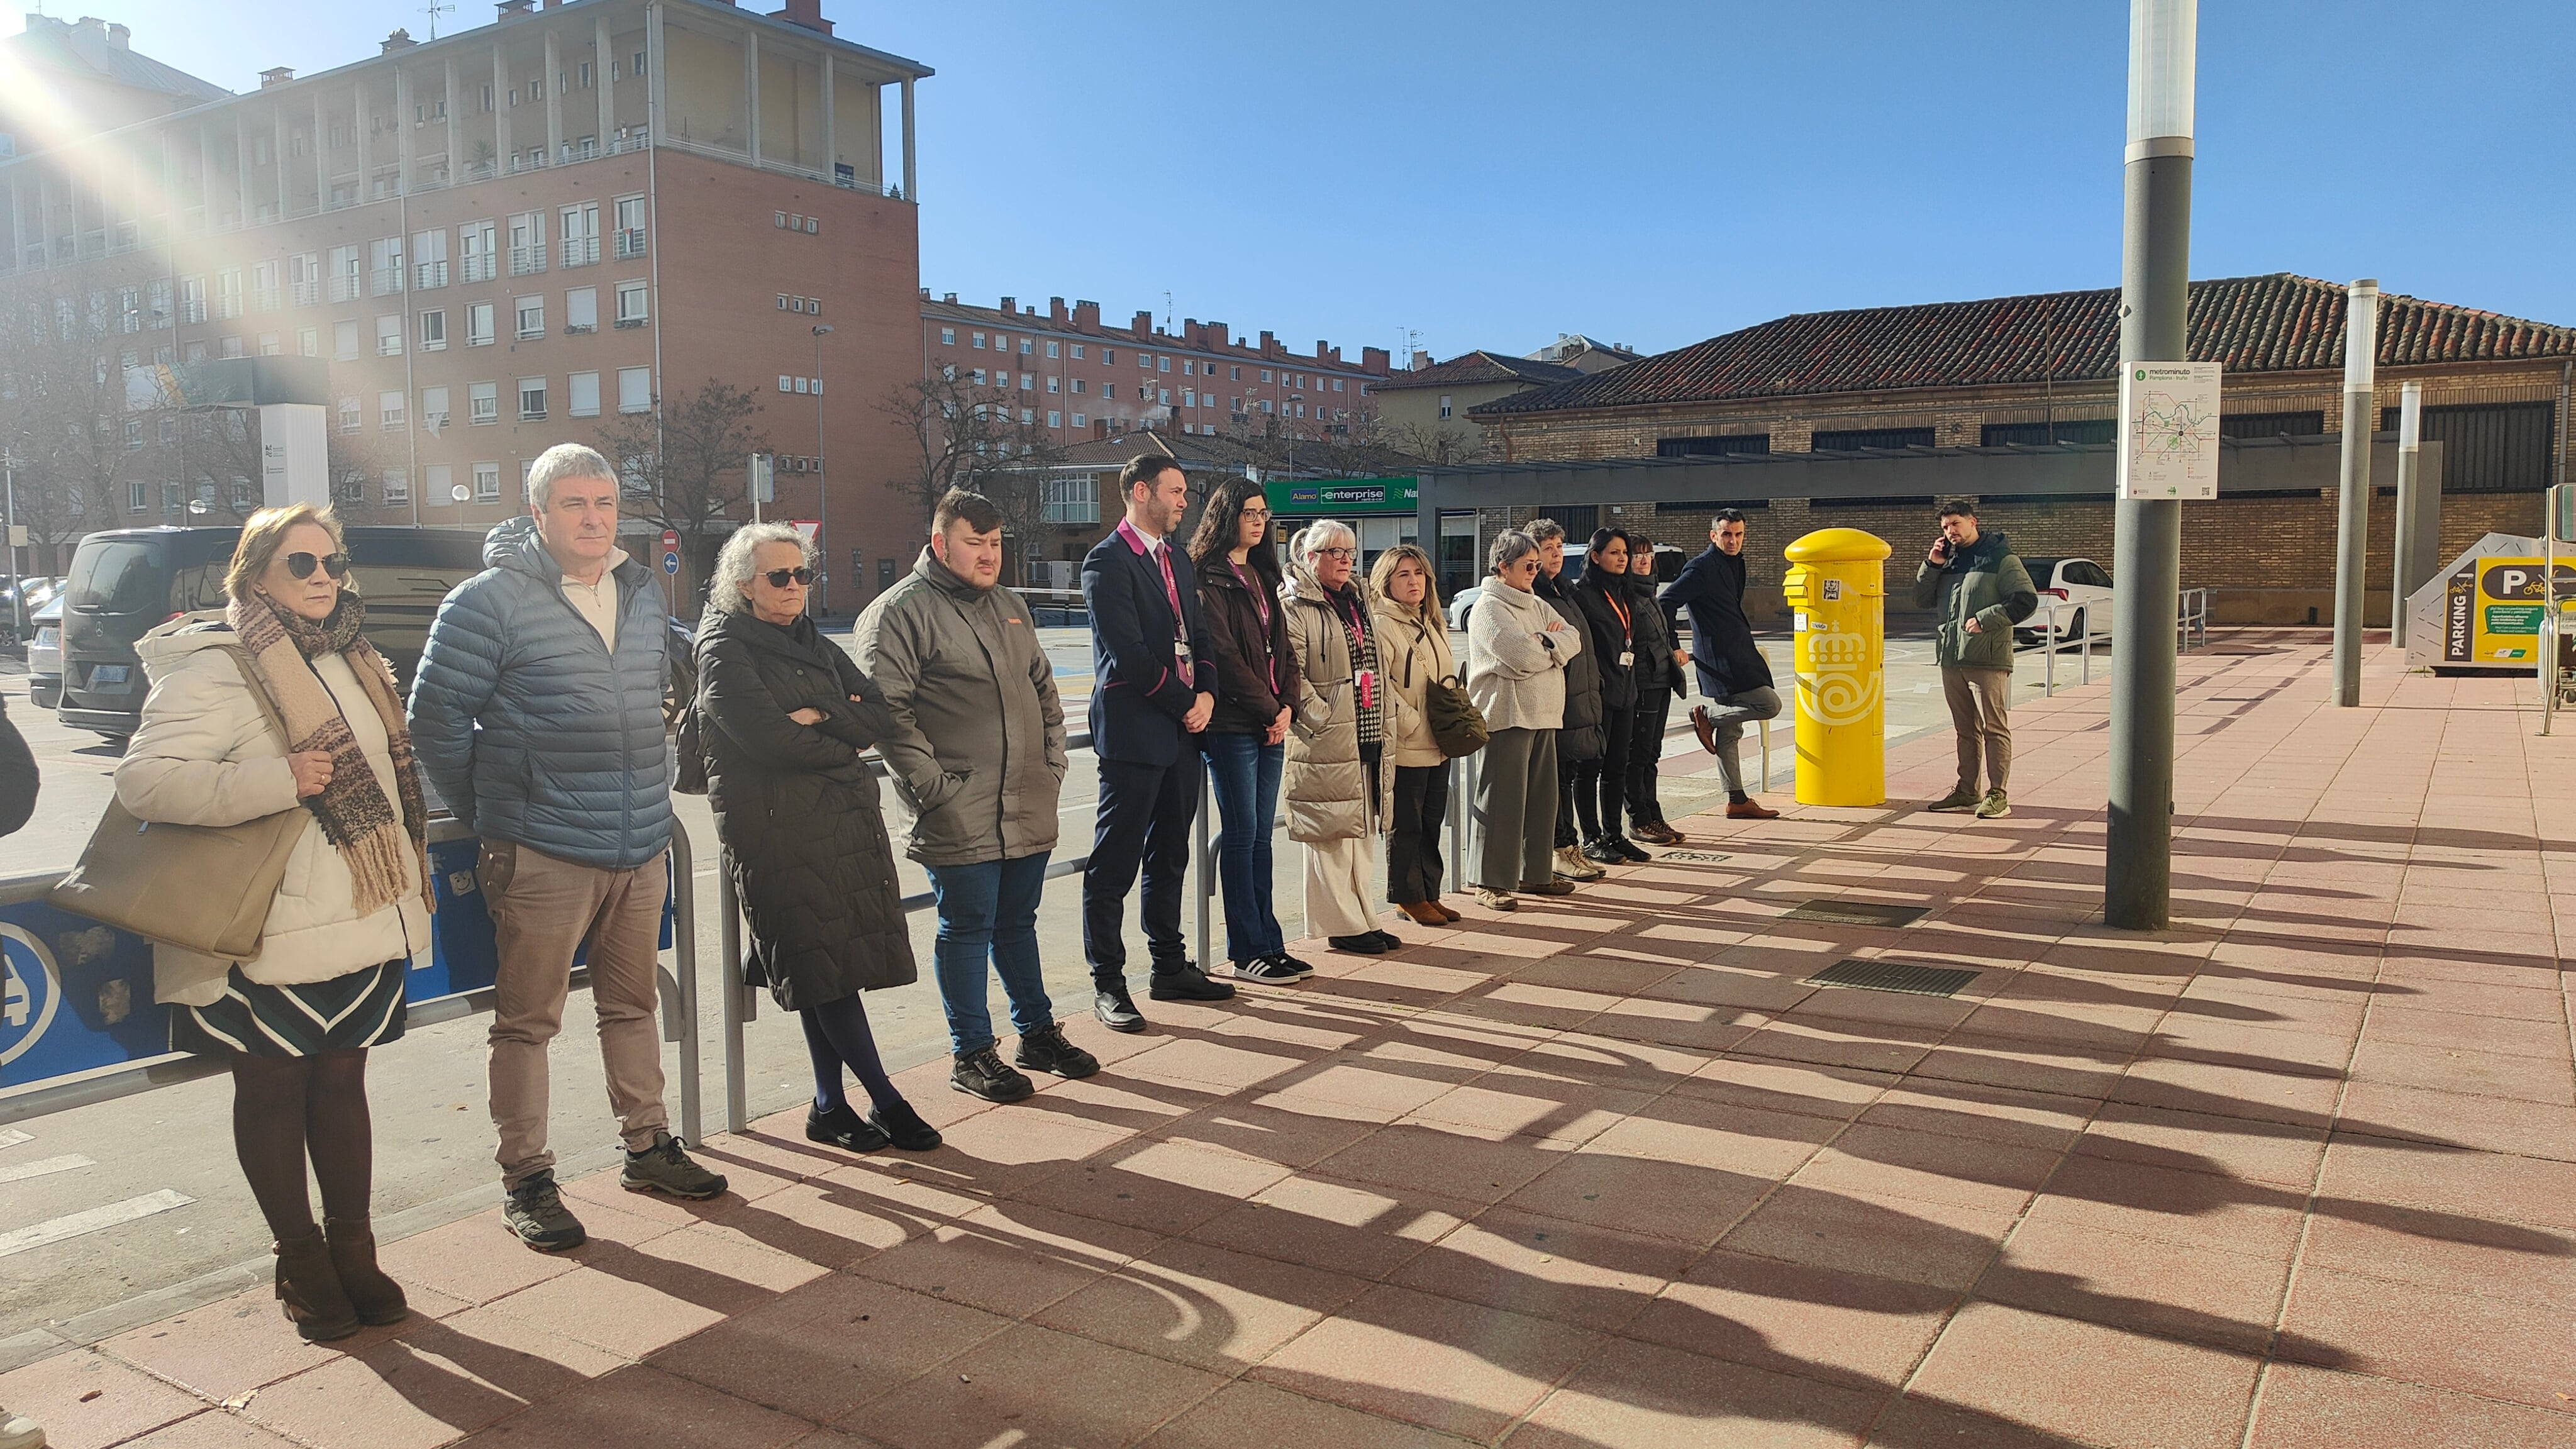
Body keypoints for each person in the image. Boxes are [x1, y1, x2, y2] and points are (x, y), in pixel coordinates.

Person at [119, 504, 430, 1341]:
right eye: (301, 564)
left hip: (359, 917)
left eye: (332, 561)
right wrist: (278, 777)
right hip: (261, 929)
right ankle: (301, 1261)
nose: (324, 577)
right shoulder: (215, 665)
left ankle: (354, 1251)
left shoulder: (356, 656)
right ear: (254, 575)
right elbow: (146, 784)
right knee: (270, 1091)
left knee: (343, 1084)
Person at [411, 443, 726, 1253]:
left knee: (634, 1006)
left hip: (640, 840)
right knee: (527, 1024)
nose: (592, 519)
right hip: (542, 848)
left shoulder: (639, 591)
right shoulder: (487, 602)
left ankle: (648, 1146)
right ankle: (528, 1178)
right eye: (574, 504)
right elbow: (435, 720)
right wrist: (492, 810)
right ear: (537, 514)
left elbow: (655, 697)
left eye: (604, 504)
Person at [694, 524, 943, 1150]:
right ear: (744, 585)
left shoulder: (808, 638)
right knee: (820, 965)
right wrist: (838, 732)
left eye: (802, 574)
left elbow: (878, 716)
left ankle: (830, 1105)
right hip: (776, 829)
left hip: (832, 822)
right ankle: (886, 1099)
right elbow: (769, 739)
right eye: (779, 576)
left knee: (825, 970)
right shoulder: (723, 646)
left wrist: (826, 715)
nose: (795, 586)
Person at [858, 489, 1095, 1104]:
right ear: (940, 544)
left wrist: (1051, 763)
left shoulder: (1009, 606)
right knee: (965, 928)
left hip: (1025, 798)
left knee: (1017, 923)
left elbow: (1043, 690)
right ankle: (971, 1054)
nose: (989, 555)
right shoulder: (899, 613)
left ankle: (1037, 1033)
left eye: (995, 544)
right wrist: (933, 789)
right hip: (958, 806)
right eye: (975, 543)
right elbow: (890, 716)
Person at [1081, 456, 1235, 1031]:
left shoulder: (1178, 561)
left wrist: (1209, 698)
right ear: (1140, 492)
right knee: (1114, 862)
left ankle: (1169, 966)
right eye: (1175, 491)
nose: (1184, 502)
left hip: (1184, 731)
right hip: (1135, 730)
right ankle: (1108, 982)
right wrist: (1185, 702)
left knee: (1171, 852)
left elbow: (1201, 637)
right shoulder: (1106, 562)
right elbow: (1130, 655)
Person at [1187, 477, 1309, 982]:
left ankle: (1270, 943)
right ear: (1226, 516)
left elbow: (1284, 652)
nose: (1259, 521)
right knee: (1241, 835)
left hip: (1268, 722)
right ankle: (1246, 951)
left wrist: (1288, 707)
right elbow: (1223, 656)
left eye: (1264, 513)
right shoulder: (1207, 576)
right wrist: (1268, 709)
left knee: (1262, 838)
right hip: (1233, 724)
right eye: (1249, 513)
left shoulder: (1262, 572)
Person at [1280, 520, 1397, 954]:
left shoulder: (1358, 599)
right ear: (1311, 557)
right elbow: (1291, 671)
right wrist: (1322, 718)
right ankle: (1342, 926)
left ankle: (1364, 915)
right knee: (1329, 835)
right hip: (1326, 736)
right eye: (1336, 552)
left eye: (1351, 552)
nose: (1347, 560)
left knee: (1362, 831)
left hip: (1366, 729)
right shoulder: (1294, 603)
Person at [1465, 530, 1582, 911]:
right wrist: (1548, 648)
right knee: (1501, 799)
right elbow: (1520, 657)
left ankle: (1536, 873)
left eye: (1537, 564)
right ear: (1503, 568)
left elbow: (1574, 638)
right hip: (1507, 714)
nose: (1536, 570)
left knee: (1542, 800)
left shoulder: (1535, 603)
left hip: (1545, 712)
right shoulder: (1488, 608)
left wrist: (1544, 643)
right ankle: (1490, 881)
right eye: (1527, 565)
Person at [1911, 499, 2037, 819]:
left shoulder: (2001, 558)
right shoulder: (1948, 561)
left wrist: (1986, 618)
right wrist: (1933, 564)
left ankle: (1998, 795)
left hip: (1988, 657)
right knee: (1965, 729)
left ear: (1973, 521)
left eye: (1955, 524)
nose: (1950, 531)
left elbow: (2025, 600)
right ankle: (1968, 790)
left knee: (1994, 728)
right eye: (1945, 527)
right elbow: (1922, 599)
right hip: (1952, 657)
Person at [1664, 509, 1784, 819]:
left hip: (1740, 651)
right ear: (1713, 536)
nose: (1733, 541)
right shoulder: (1701, 568)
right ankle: (1707, 714)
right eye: (1727, 534)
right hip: (1721, 659)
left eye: (1739, 534)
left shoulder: (1736, 564)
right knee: (1769, 705)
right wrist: (1675, 645)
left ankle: (1737, 799)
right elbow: (1666, 602)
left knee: (1731, 731)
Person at [1371, 543, 1462, 926]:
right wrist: (1412, 722)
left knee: (1431, 821)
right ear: (1386, 582)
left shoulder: (1429, 620)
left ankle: (1428, 891)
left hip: (1439, 739)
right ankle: (1407, 896)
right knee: (1405, 824)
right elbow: (1382, 685)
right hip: (1408, 740)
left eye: (1419, 573)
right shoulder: (1382, 623)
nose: (1414, 582)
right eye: (1403, 575)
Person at [1530, 520, 1607, 882]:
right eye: (1548, 549)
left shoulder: (1565, 591)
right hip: (1557, 702)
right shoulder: (1537, 597)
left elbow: (1576, 642)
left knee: (1570, 773)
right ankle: (1561, 848)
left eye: (1559, 547)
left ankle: (1569, 846)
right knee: (1557, 779)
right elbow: (1551, 645)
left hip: (1580, 696)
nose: (1556, 555)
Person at [1570, 529, 1648, 866]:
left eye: (1624, 553)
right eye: (1614, 552)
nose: (1622, 558)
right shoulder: (1583, 596)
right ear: (1595, 556)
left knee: (1619, 767)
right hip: (1597, 694)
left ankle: (1614, 833)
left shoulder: (1627, 593)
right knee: (1590, 767)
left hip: (1625, 691)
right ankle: (1591, 838)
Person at [1623, 538, 1686, 844]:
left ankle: (1654, 814)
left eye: (1648, 555)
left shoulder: (1650, 594)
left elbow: (1662, 635)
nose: (1644, 560)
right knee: (1639, 754)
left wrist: (1674, 651)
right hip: (1644, 684)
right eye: (1637, 555)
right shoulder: (1629, 597)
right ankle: (1639, 818)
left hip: (1661, 682)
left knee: (1652, 754)